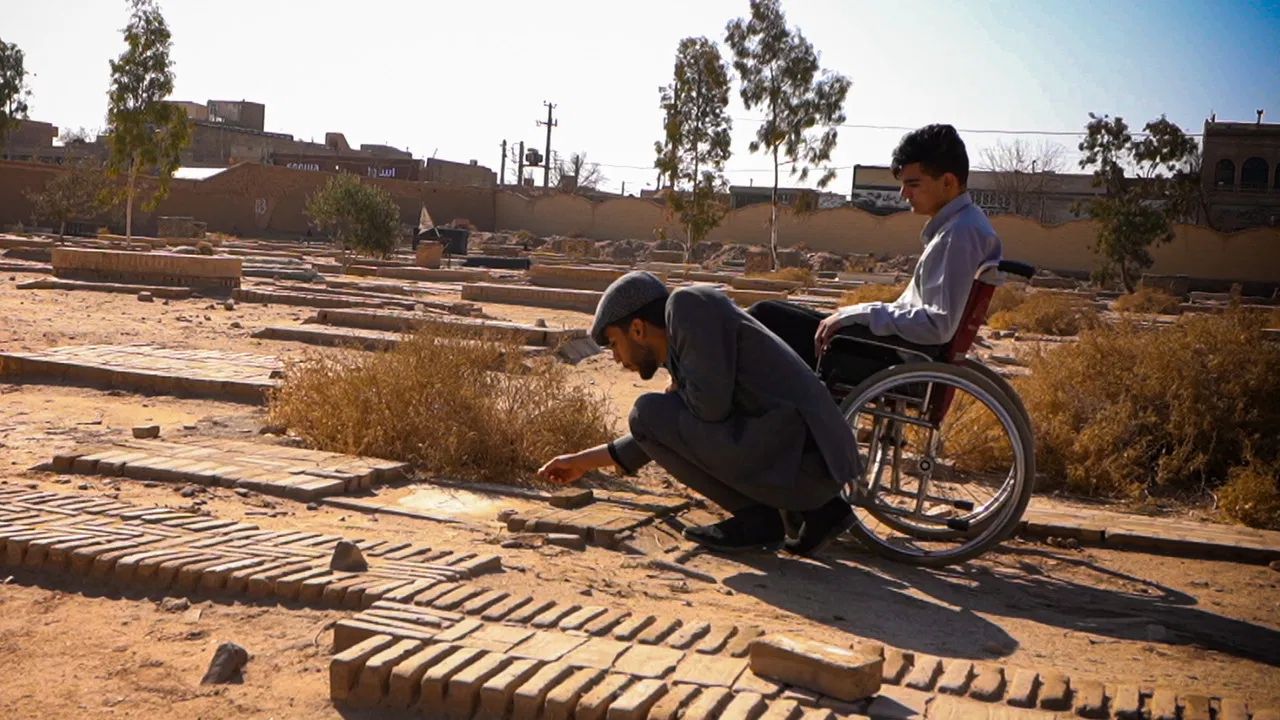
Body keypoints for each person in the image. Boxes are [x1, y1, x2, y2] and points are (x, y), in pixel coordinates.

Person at [537, 271, 859, 556]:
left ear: (636, 329)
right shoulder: (684, 336)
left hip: (805, 464)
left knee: (646, 411)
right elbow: (657, 434)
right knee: (650, 415)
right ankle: (823, 513)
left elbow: (706, 409)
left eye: (613, 344)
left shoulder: (687, 307)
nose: (617, 359)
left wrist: (679, 391)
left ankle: (756, 519)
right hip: (809, 469)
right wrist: (579, 461)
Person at [747, 123, 1002, 385]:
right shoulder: (963, 225)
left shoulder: (960, 234)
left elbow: (937, 325)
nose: (904, 194)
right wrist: (859, 312)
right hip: (896, 348)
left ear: (948, 181)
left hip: (895, 360)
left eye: (913, 184)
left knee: (763, 318)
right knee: (769, 311)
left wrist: (864, 314)